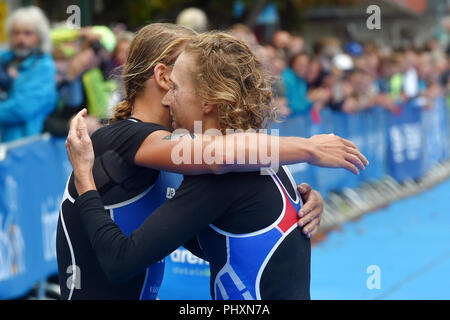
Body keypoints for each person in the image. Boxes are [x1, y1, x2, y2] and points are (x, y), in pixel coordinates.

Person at [65, 31, 368, 300]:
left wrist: (84, 180)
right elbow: (201, 238)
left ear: (207, 100)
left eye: (177, 87)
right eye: (168, 86)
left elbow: (121, 261)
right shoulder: (263, 157)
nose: (169, 99)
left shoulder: (225, 171)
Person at [0, 6, 57, 143]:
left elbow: (22, 109)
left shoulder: (44, 66)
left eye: (27, 33)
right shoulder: (5, 59)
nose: (20, 39)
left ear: (39, 37)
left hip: (23, 146)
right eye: (16, 33)